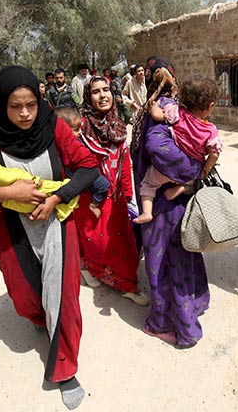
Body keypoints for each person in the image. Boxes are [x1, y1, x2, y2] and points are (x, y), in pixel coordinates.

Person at [0, 65, 99, 410]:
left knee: (62, 296)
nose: (25, 114)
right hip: (13, 230)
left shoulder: (53, 125)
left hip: (57, 222)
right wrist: (4, 194)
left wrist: (55, 198)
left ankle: (64, 368)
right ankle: (38, 318)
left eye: (31, 104)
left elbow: (89, 166)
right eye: (15, 106)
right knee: (27, 292)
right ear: (0, 103)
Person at [133, 57, 211, 348]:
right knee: (168, 261)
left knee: (174, 258)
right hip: (165, 207)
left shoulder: (165, 112)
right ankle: (169, 323)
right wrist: (192, 173)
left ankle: (181, 311)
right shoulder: (164, 109)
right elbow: (158, 148)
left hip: (170, 201)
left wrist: (186, 182)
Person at [73, 75, 149, 305]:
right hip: (90, 198)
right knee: (92, 239)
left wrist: (127, 193)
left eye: (105, 89)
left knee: (120, 241)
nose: (102, 95)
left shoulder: (116, 124)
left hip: (115, 196)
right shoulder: (81, 127)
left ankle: (127, 284)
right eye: (96, 91)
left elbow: (124, 161)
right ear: (88, 96)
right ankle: (88, 269)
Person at [133, 77, 221, 224]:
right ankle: (182, 188)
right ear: (210, 106)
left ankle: (147, 213)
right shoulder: (210, 130)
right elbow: (214, 153)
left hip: (168, 166)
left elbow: (157, 115)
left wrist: (155, 105)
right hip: (191, 169)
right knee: (196, 182)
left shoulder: (178, 113)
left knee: (148, 183)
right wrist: (206, 168)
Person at [0, 151, 109, 220]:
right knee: (53, 188)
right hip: (33, 189)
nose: (24, 113)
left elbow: (88, 167)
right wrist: (29, 181)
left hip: (23, 208)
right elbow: (15, 177)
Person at [55, 106, 112, 219]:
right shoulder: (70, 144)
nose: (79, 133)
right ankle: (94, 204)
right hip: (77, 175)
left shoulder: (77, 140)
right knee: (104, 185)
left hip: (76, 176)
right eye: (75, 130)